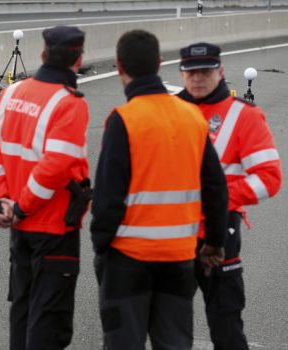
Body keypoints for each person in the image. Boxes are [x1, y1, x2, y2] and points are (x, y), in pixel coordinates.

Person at [90, 29, 229, 349]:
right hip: (180, 258)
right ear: (160, 64)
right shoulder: (192, 117)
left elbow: (108, 199)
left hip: (127, 258)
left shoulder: (123, 120)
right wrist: (215, 241)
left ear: (118, 67)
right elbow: (216, 188)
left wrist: (101, 246)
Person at [0, 25, 90, 349]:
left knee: (23, 312)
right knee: (49, 323)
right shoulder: (70, 104)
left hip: (20, 227)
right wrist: (23, 206)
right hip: (53, 229)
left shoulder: (11, 93)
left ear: (42, 55)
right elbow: (55, 167)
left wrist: (5, 203)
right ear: (78, 59)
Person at [177, 42, 282, 349]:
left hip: (220, 235)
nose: (197, 78)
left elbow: (269, 178)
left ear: (220, 72)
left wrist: (219, 198)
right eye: (191, 72)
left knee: (226, 326)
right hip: (170, 235)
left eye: (205, 72)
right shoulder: (168, 111)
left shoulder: (244, 116)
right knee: (168, 328)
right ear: (181, 74)